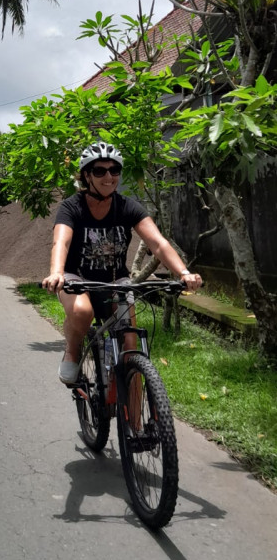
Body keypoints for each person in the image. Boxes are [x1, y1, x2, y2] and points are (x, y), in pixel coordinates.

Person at [42, 141, 202, 385]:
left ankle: (135, 419)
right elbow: (61, 243)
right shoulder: (72, 207)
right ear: (87, 175)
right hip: (76, 278)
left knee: (130, 346)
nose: (108, 176)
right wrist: (56, 273)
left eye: (114, 170)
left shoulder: (127, 207)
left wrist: (183, 272)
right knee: (83, 312)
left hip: (117, 280)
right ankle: (72, 351)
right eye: (100, 171)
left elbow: (158, 243)